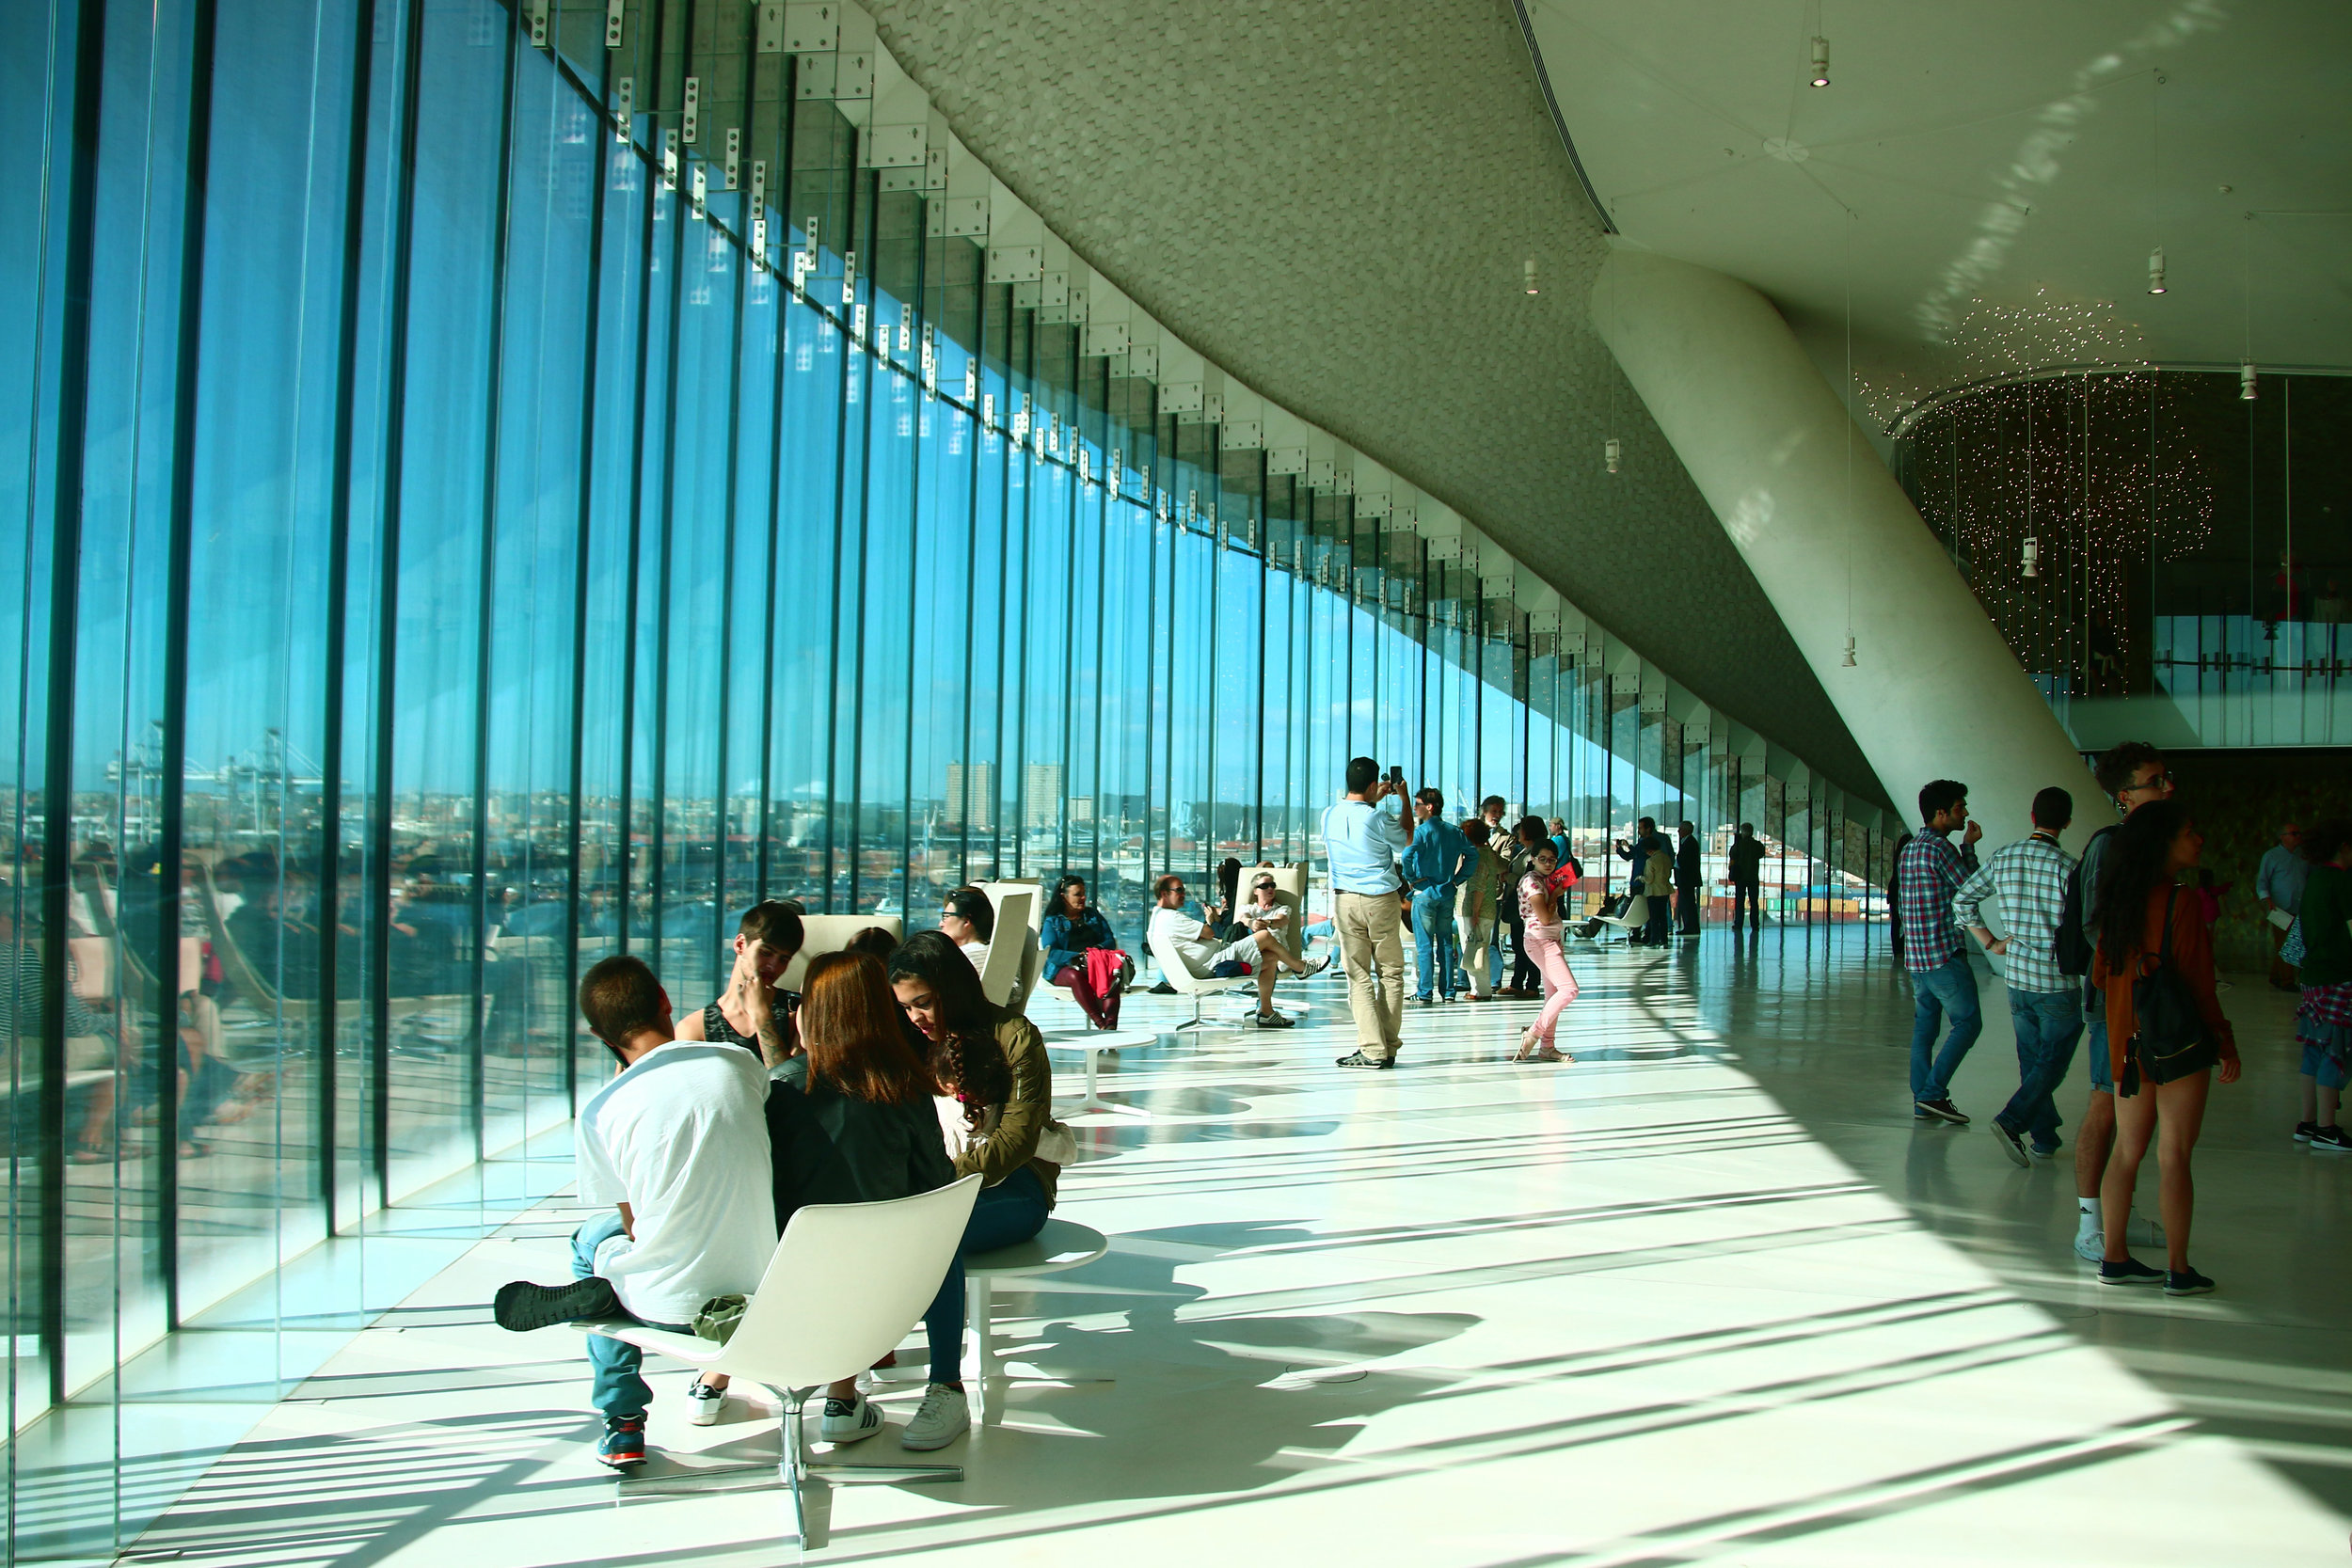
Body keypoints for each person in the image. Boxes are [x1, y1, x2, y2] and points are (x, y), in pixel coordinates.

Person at [492, 956, 775, 1467]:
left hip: (666, 1310)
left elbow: (632, 1223)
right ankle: (608, 1295)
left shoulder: (602, 1110)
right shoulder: (739, 1063)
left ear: (600, 1035)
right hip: (765, 1293)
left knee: (591, 1242)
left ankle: (623, 1422)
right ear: (666, 1002)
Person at [887, 931, 1069, 1449]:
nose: (917, 1017)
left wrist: (936, 1185)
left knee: (936, 1234)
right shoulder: (911, 1043)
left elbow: (1016, 1140)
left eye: (924, 1002)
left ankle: (946, 1387)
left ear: (952, 988)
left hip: (1018, 1189)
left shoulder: (1013, 1035)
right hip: (933, 1189)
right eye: (906, 1008)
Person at [770, 951, 958, 1449]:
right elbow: (936, 1189)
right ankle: (915, 1388)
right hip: (885, 1299)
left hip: (783, 1291)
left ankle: (713, 1383)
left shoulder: (781, 1092)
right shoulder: (903, 1090)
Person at [2090, 800, 2239, 1294]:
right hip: (2176, 1044)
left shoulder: (2116, 901)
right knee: (2174, 1155)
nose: (2198, 840)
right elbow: (2199, 981)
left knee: (2127, 1153)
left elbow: (2098, 974)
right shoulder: (2182, 900)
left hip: (2125, 1047)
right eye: (2190, 832)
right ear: (2164, 842)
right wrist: (2225, 1041)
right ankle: (2178, 1268)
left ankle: (2114, 1257)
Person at [2069, 741, 2175, 1262]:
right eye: (2155, 781)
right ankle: (2091, 1220)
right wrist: (2133, 975)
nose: (2167, 787)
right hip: (2114, 1000)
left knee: (2134, 1109)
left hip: (2145, 998)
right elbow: (2095, 925)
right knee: (2105, 1103)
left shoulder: (2155, 847)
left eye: (2165, 778)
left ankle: (2116, 1207)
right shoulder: (2110, 847)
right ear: (2125, 796)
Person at [1954, 786, 2082, 1166]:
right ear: (2067, 822)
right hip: (2057, 980)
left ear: (2032, 817)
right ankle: (2012, 1121)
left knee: (2031, 1058)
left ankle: (2044, 1136)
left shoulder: (2004, 856)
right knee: (2053, 1062)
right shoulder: (2068, 868)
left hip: (2018, 977)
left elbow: (1963, 899)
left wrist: (1990, 941)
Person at [1895, 780, 1983, 1126]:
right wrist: (1970, 848)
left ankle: (1923, 1102)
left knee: (1925, 1032)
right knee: (1968, 1023)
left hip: (1917, 958)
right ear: (1941, 813)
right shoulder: (1941, 849)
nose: (1965, 813)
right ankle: (1933, 1094)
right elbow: (1972, 889)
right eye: (1960, 807)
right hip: (1943, 955)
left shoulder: (1911, 849)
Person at [1323, 759, 1414, 1069]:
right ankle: (1387, 1047)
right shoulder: (1378, 817)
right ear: (1375, 786)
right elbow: (1405, 838)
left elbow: (1358, 815)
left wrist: (1373, 796)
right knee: (1390, 974)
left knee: (1358, 977)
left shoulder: (1329, 815)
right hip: (1381, 901)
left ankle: (1372, 1048)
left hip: (1345, 901)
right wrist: (1403, 799)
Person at [1148, 873, 1323, 1028]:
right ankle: (1300, 968)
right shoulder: (1173, 917)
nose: (1183, 894)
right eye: (1179, 890)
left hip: (1209, 961)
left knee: (1269, 958)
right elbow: (1209, 932)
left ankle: (1266, 1013)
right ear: (1165, 894)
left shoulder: (1158, 918)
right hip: (1214, 963)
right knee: (1264, 937)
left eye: (1183, 890)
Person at [674, 898, 803, 1064]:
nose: (773, 966)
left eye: (784, 959)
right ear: (741, 945)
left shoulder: (797, 1012)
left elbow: (790, 1085)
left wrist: (762, 1016)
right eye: (766, 953)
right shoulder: (695, 1028)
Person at [2290, 820, 2352, 1153]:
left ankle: (2308, 1122)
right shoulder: (2341, 881)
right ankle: (2328, 1129)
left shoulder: (2315, 879)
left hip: (2313, 977)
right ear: (2344, 846)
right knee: (2337, 1051)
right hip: (2340, 977)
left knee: (2314, 1048)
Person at [1403, 789, 1471, 1004]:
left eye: (1418, 804)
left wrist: (1413, 879)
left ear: (1429, 807)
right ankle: (1448, 991)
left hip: (1425, 892)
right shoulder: (1455, 832)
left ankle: (1425, 991)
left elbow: (1407, 856)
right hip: (1446, 892)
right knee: (1445, 944)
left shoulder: (1422, 832)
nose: (1415, 808)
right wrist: (1457, 879)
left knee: (1424, 945)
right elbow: (1473, 856)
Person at [1514, 842, 1581, 1064]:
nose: (1548, 864)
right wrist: (1555, 896)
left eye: (1552, 859)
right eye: (1542, 859)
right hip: (1540, 940)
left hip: (1550, 939)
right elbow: (1543, 917)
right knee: (1569, 990)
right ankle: (1534, 1032)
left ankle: (1547, 1047)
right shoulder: (1531, 881)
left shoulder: (1545, 880)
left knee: (1554, 996)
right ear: (1532, 859)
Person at [1041, 874, 1129, 1030]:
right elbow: (1051, 953)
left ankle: (1111, 1025)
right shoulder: (1053, 921)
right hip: (1064, 968)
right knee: (1075, 976)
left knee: (1111, 973)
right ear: (1064, 897)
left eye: (1083, 893)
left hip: (1095, 965)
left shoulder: (1092, 915)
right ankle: (1101, 1024)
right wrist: (1078, 956)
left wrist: (1095, 952)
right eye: (1077, 894)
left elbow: (1110, 941)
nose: (1083, 898)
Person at [1454, 820, 1509, 1001]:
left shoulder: (1476, 856)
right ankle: (1483, 988)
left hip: (1472, 909)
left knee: (1471, 948)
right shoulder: (1489, 854)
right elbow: (1502, 867)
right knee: (1481, 949)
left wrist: (1475, 913)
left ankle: (1478, 989)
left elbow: (1477, 887)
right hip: (1489, 908)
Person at [939, 885, 1012, 1006]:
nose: (941, 923)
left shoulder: (963, 957)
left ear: (966, 921)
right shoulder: (995, 953)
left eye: (946, 917)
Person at [2258, 821, 2310, 991]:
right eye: (2293, 834)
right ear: (2283, 837)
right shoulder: (2271, 856)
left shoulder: (2303, 856)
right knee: (2285, 943)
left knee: (2294, 942)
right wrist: (2268, 900)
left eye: (2298, 833)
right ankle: (2287, 981)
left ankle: (2276, 976)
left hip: (2299, 906)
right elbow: (2262, 881)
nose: (2298, 837)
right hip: (2279, 908)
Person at [1477, 796, 1515, 992]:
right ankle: (1468, 978)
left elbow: (1503, 864)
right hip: (1471, 890)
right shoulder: (1470, 831)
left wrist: (1484, 847)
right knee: (1467, 936)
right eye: (1494, 812)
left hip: (1494, 892)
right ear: (1484, 811)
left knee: (1491, 938)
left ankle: (1494, 978)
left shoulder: (1506, 837)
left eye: (1500, 812)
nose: (1498, 816)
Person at [1615, 817, 1671, 944]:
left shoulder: (1647, 849)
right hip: (1660, 887)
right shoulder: (1662, 855)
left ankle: (1649, 937)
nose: (1639, 831)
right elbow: (1631, 855)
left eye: (1640, 828)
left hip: (1644, 883)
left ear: (1648, 828)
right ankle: (1656, 938)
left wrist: (1626, 847)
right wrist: (1623, 848)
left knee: (1650, 913)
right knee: (1658, 915)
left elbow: (1633, 855)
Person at [1728, 823, 1765, 934]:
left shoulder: (1738, 845)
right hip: (1753, 877)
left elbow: (1732, 855)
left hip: (1740, 877)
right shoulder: (1758, 845)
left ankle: (1738, 923)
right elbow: (1761, 854)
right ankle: (1755, 924)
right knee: (1754, 902)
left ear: (1743, 832)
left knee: (1739, 901)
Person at [1674, 821, 1703, 937]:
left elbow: (1686, 863)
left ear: (1686, 830)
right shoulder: (1688, 842)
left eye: (1680, 829)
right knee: (1687, 903)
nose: (1678, 831)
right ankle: (1690, 926)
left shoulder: (1690, 843)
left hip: (1687, 880)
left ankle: (1690, 926)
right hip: (1686, 879)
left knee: (1687, 903)